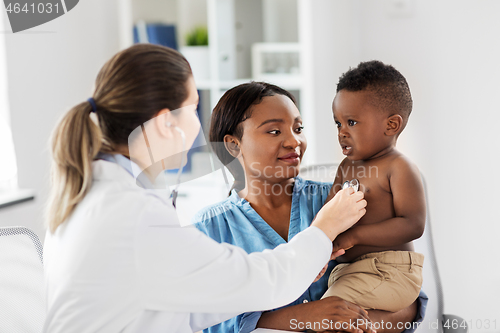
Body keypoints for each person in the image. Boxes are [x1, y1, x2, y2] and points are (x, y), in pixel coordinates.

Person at [42, 44, 368, 333]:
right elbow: (258, 281)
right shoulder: (135, 214)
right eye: (194, 108)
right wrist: (323, 230)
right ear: (165, 123)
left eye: (297, 127)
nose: (198, 125)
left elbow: (192, 302)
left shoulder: (93, 198)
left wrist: (298, 270)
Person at [193, 81, 428, 333]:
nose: (294, 141)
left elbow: (405, 296)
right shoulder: (209, 229)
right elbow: (206, 323)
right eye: (274, 131)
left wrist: (356, 324)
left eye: (298, 128)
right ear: (233, 145)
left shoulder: (343, 200)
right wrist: (303, 317)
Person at [322, 60, 425, 313]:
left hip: (391, 271)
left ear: (391, 125)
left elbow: (413, 224)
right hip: (349, 271)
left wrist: (355, 236)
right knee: (327, 315)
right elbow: (328, 213)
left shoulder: (399, 168)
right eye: (338, 123)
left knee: (326, 313)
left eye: (352, 123)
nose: (342, 132)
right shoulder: (346, 167)